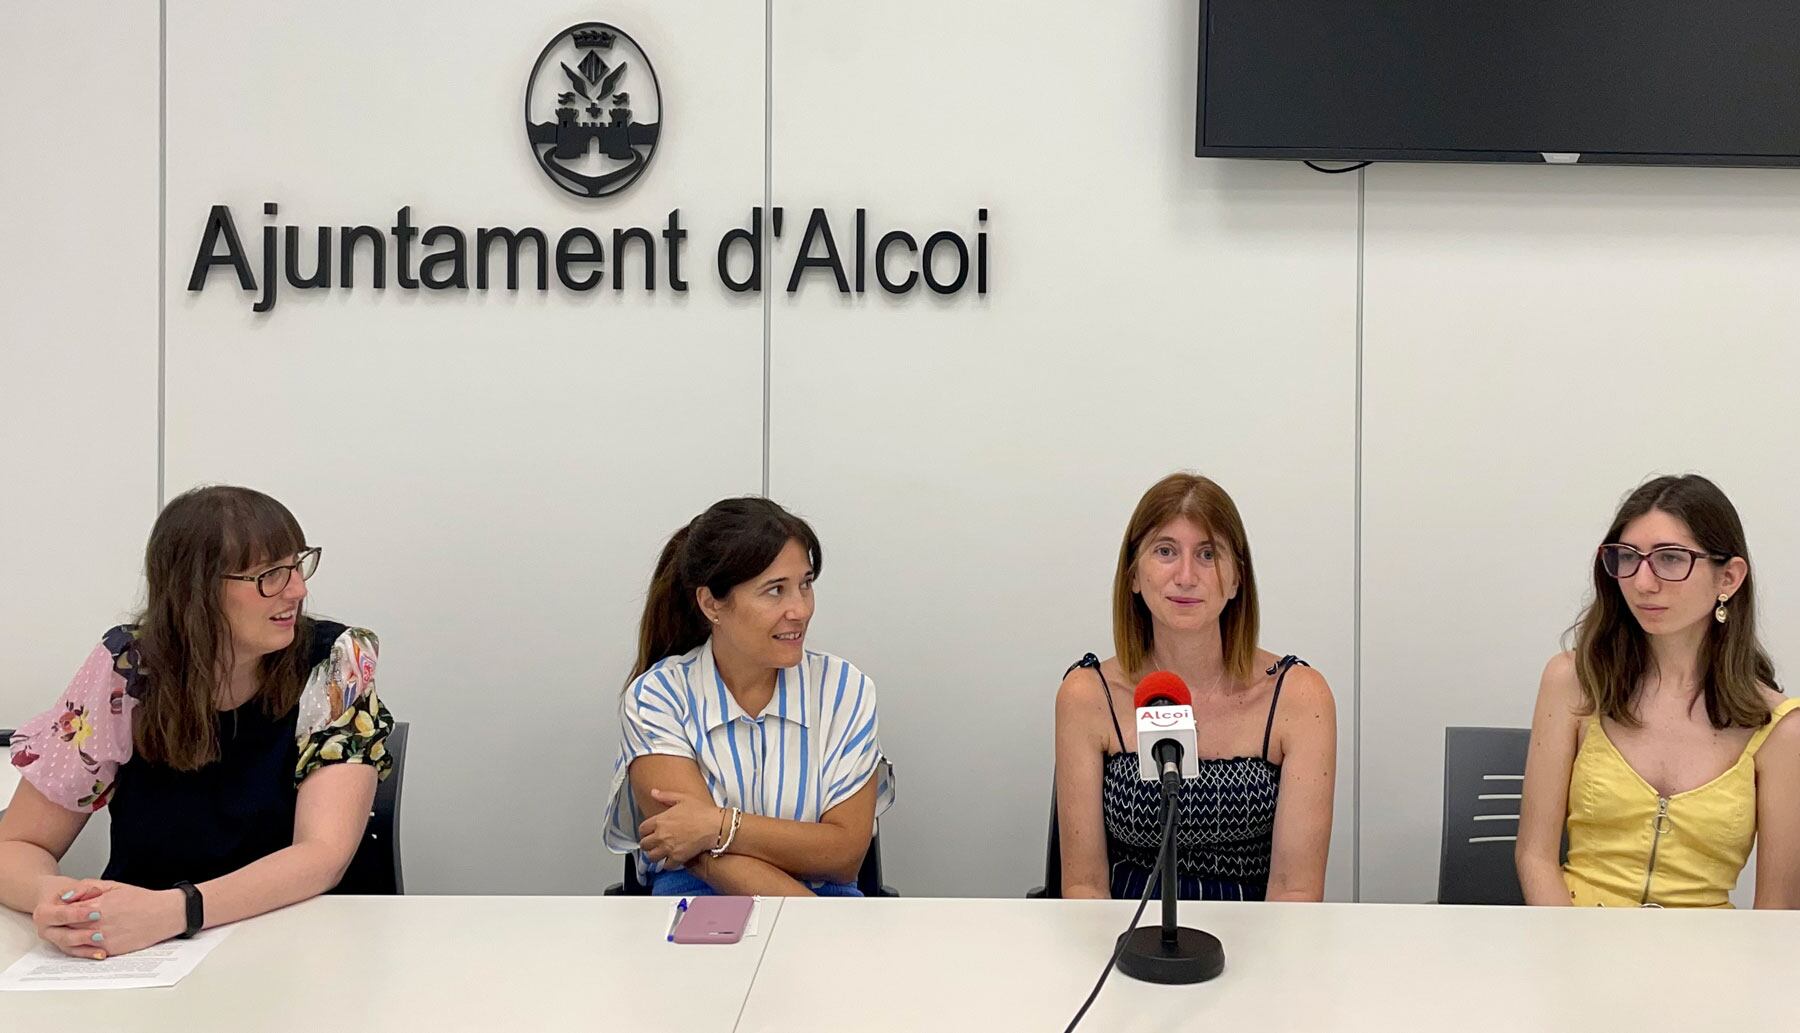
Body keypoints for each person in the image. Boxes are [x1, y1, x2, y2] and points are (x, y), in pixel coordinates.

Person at [0, 486, 394, 958]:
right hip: (139, 950)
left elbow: (322, 856)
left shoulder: (334, 662)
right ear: (197, 590)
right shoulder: (127, 668)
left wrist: (174, 912)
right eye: (270, 575)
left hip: (292, 937)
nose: (298, 590)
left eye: (297, 564)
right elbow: (19, 842)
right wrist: (61, 902)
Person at [1518, 474, 1799, 908]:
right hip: (1575, 944)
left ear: (1728, 578)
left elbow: (1777, 910)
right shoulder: (1572, 681)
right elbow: (1535, 857)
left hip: (1708, 960)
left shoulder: (1781, 729)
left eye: (1670, 559)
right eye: (1627, 558)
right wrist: (1568, 958)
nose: (1643, 582)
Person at [1054, 472, 1336, 901]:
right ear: (1133, 574)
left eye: (1208, 554)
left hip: (1256, 941)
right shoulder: (1089, 695)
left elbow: (1295, 890)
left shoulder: (1298, 697)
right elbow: (1083, 886)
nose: (1186, 576)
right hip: (1128, 936)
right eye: (1166, 551)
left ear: (1238, 579)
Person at [604, 497, 893, 896]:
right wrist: (818, 923)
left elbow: (844, 855)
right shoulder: (658, 696)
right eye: (775, 591)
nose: (800, 610)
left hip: (826, 899)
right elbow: (688, 849)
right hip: (699, 894)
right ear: (711, 604)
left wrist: (717, 826)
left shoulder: (846, 689)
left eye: (805, 585)